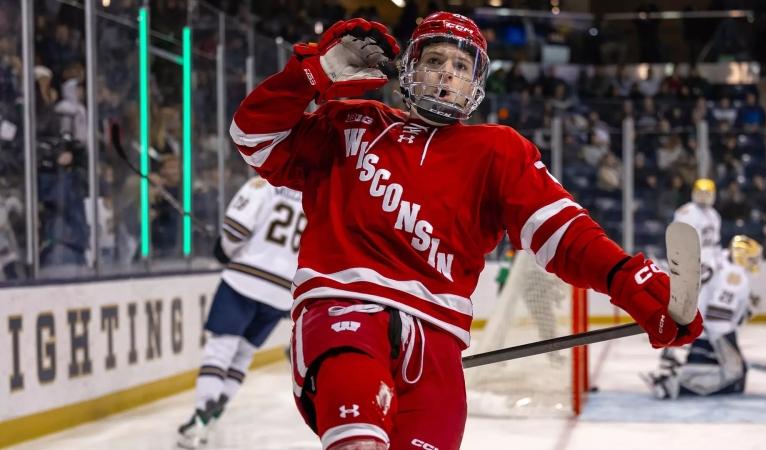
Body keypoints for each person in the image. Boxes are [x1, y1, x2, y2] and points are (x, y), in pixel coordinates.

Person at [230, 13, 702, 450]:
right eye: (435, 60)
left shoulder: (498, 150)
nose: (447, 73)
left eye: (461, 65)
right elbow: (254, 137)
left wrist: (626, 279)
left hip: (438, 339)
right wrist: (314, 73)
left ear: (476, 82)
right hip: (345, 309)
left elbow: (561, 231)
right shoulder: (352, 121)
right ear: (411, 68)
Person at [177, 177, 304, 449]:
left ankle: (200, 419)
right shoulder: (317, 191)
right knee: (243, 354)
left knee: (220, 349)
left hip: (244, 280)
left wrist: (224, 251)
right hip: (282, 291)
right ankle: (213, 415)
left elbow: (236, 229)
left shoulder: (264, 183)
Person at [642, 235, 762, 399]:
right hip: (707, 334)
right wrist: (730, 347)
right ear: (741, 256)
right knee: (735, 376)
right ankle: (672, 385)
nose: (754, 262)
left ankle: (675, 376)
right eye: (751, 258)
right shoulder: (735, 276)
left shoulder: (719, 260)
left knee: (719, 371)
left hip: (693, 327)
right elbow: (718, 319)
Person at [674, 178, 721, 250]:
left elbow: (716, 241)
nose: (703, 197)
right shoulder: (685, 211)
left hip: (708, 252)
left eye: (707, 194)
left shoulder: (714, 215)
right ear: (694, 193)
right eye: (700, 193)